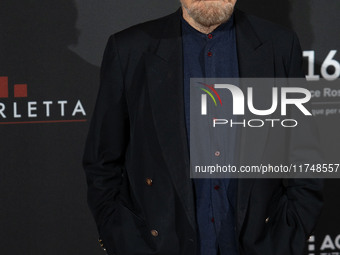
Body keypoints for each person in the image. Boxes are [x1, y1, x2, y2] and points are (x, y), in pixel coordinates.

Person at [83, 0, 323, 254]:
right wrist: (121, 237)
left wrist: (289, 234)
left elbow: (305, 154)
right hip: (159, 245)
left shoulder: (280, 44)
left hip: (259, 244)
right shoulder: (129, 49)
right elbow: (102, 161)